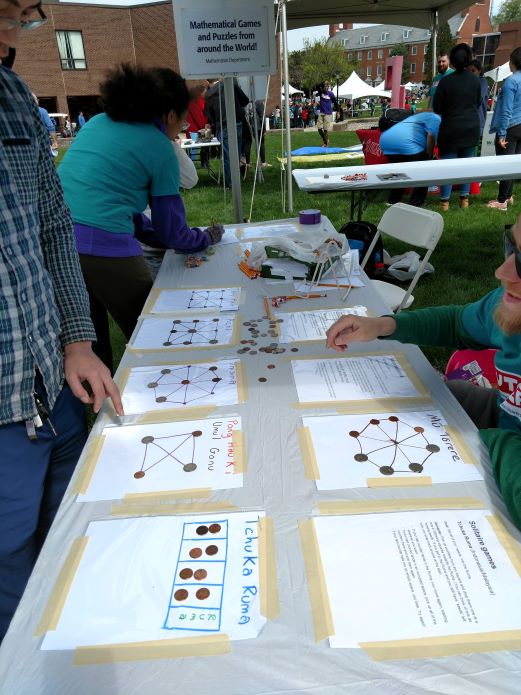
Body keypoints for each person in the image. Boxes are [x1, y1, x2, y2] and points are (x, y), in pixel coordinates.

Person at [0, 0, 122, 643]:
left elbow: (51, 225)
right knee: (12, 585)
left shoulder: (14, 91)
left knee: (75, 538)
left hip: (53, 384)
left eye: (20, 18)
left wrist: (79, 338)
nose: (9, 37)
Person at [326, 213, 521, 531]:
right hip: (506, 419)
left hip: (506, 451)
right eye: (511, 247)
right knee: (395, 398)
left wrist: (477, 441)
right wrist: (384, 325)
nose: (502, 272)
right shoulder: (509, 304)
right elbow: (458, 323)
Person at [58, 64, 224, 370]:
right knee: (157, 331)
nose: (183, 127)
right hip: (103, 248)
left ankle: (96, 404)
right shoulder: (160, 148)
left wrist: (153, 234)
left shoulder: (96, 123)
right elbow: (173, 233)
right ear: (170, 114)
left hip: (57, 245)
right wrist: (205, 237)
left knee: (89, 343)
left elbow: (114, 204)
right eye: (184, 118)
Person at [432, 43, 481, 210]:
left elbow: (437, 108)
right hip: (470, 128)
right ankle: (464, 200)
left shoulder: (444, 82)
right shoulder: (475, 81)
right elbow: (479, 102)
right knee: (466, 165)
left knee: (447, 166)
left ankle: (445, 201)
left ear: (451, 61)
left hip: (450, 129)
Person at [379, 111, 441, 207]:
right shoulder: (436, 119)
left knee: (399, 172)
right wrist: (429, 155)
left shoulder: (421, 116)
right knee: (424, 171)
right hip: (405, 143)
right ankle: (416, 202)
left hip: (385, 141)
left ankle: (392, 200)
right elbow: (431, 136)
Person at [487, 47, 521, 211]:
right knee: (514, 163)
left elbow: (506, 110)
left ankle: (501, 201)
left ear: (512, 62)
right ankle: (508, 196)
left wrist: (501, 134)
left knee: (506, 165)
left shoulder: (511, 81)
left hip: (511, 127)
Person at [205, 77, 249, 189]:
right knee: (237, 154)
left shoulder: (209, 94)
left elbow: (209, 115)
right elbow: (245, 100)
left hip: (223, 125)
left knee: (228, 156)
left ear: (207, 82)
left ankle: (232, 184)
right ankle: (235, 181)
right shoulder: (231, 85)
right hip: (237, 123)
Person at [467, 58, 489, 135]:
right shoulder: (467, 82)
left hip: (477, 121)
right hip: (466, 121)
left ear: (479, 71)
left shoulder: (482, 82)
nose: (470, 73)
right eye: (468, 71)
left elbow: (478, 99)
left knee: (471, 146)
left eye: (473, 71)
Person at [316, 80, 338, 148]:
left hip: (328, 113)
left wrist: (338, 111)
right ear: (323, 87)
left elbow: (335, 103)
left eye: (327, 86)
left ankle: (325, 144)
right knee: (319, 128)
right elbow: (317, 86)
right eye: (325, 86)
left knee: (325, 129)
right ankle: (326, 140)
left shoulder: (331, 94)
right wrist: (323, 82)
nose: (326, 88)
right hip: (321, 113)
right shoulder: (321, 92)